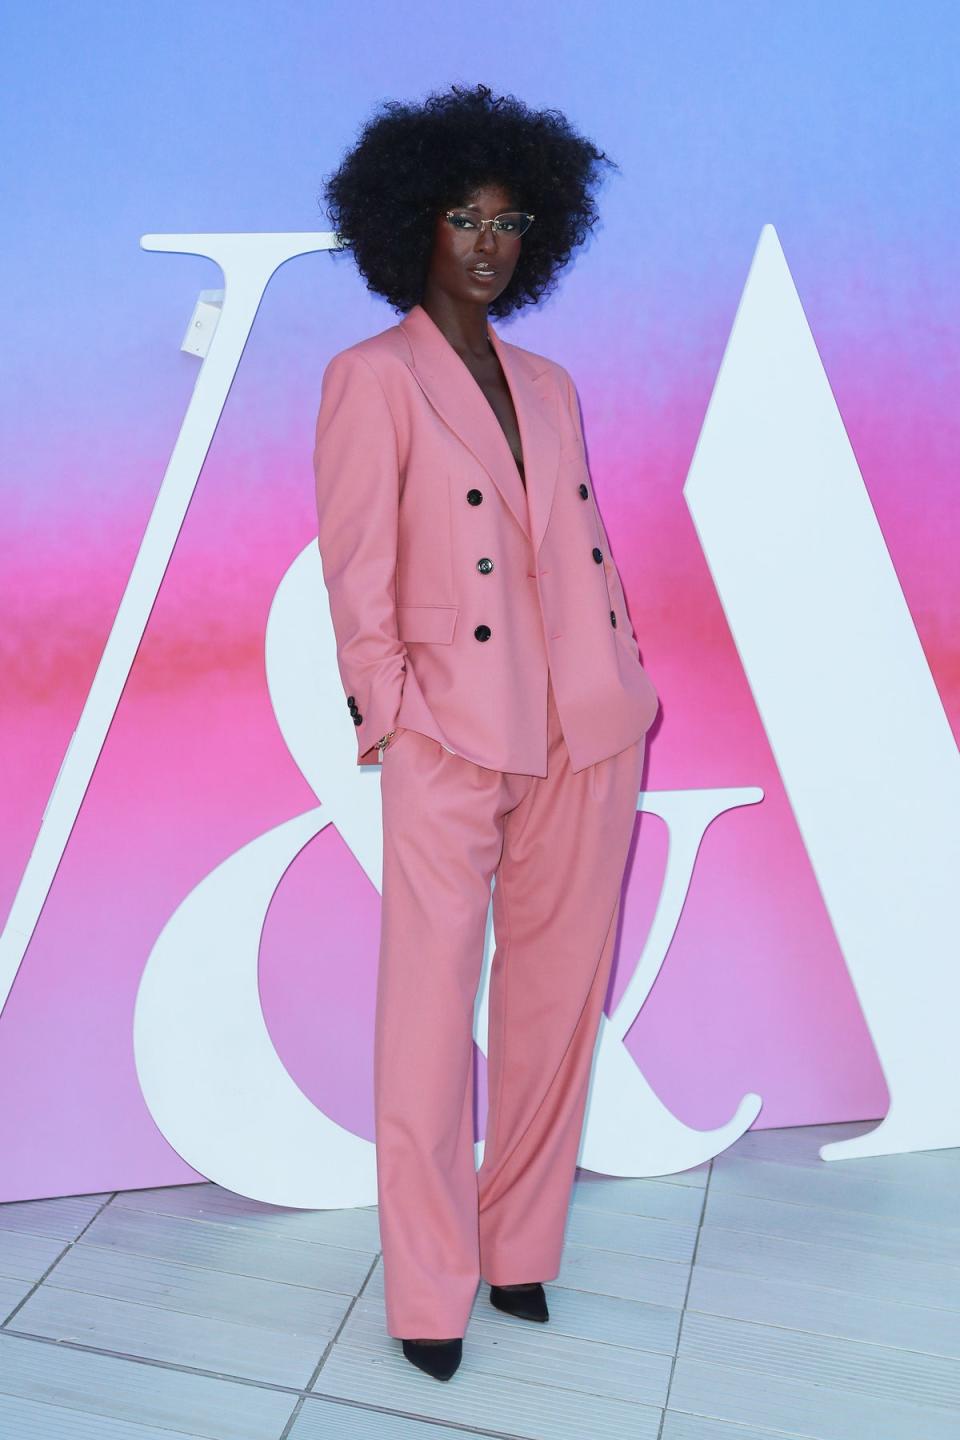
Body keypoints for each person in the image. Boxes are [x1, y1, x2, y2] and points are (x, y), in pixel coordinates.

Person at [313, 82, 660, 1382]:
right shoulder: (369, 379)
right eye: (462, 216)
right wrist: (394, 723)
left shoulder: (552, 380)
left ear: (540, 235)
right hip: (454, 730)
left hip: (590, 724)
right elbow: (357, 572)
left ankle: (518, 1247)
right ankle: (427, 1287)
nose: (485, 242)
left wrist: (626, 681)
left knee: (555, 1003)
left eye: (509, 221)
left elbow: (577, 544)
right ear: (411, 224)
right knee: (423, 1015)